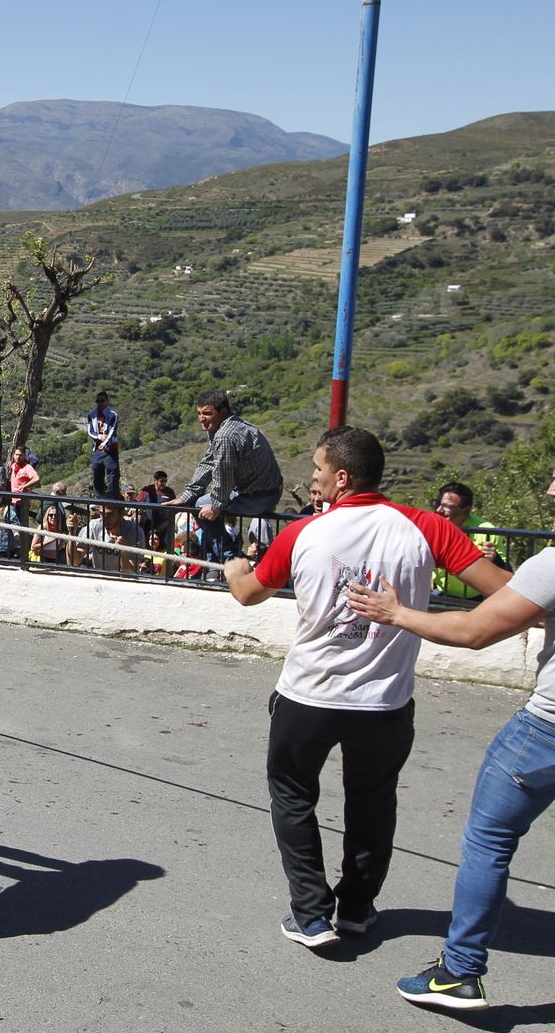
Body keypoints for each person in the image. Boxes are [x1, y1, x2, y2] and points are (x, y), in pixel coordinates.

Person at [221, 427, 509, 950]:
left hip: (308, 696)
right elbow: (507, 595)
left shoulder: (304, 533)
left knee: (292, 796)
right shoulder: (425, 528)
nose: (313, 479)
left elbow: (248, 593)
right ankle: (355, 908)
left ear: (342, 477)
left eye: (317, 471)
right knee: (373, 802)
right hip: (385, 703)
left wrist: (235, 567)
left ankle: (311, 914)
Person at [345, 473, 555, 1012]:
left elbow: (474, 632)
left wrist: (395, 613)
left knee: (489, 840)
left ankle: (459, 972)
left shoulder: (552, 565)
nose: (550, 491)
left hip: (546, 733)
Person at [165, 390, 284, 563]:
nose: (201, 418)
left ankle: (228, 559)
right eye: (199, 413)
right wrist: (186, 495)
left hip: (258, 497)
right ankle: (218, 559)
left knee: (203, 507)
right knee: (199, 503)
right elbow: (209, 462)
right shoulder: (228, 426)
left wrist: (216, 506)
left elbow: (223, 475)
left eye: (207, 413)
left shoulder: (224, 436)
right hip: (265, 491)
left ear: (223, 412)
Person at [431, 482, 503, 600]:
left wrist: (495, 559)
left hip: (475, 598)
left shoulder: (486, 530)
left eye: (448, 506)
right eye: (438, 504)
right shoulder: (435, 525)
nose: (439, 510)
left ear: (466, 511)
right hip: (441, 593)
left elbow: (505, 571)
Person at [88, 390, 120, 500]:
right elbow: (90, 431)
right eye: (98, 401)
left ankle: (113, 499)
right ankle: (99, 499)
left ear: (107, 401)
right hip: (97, 448)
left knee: (112, 473)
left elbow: (112, 431)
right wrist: (98, 438)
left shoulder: (112, 415)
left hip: (110, 448)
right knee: (97, 471)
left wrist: (104, 442)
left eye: (102, 401)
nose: (100, 403)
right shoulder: (92, 415)